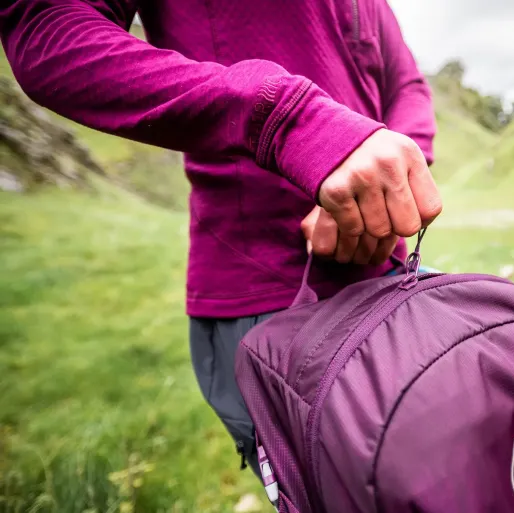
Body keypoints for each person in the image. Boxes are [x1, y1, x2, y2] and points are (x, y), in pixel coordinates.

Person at [0, 0, 441, 473]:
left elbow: (407, 85)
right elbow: (49, 29)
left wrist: (383, 181)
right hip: (273, 297)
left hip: (391, 276)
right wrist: (291, 123)